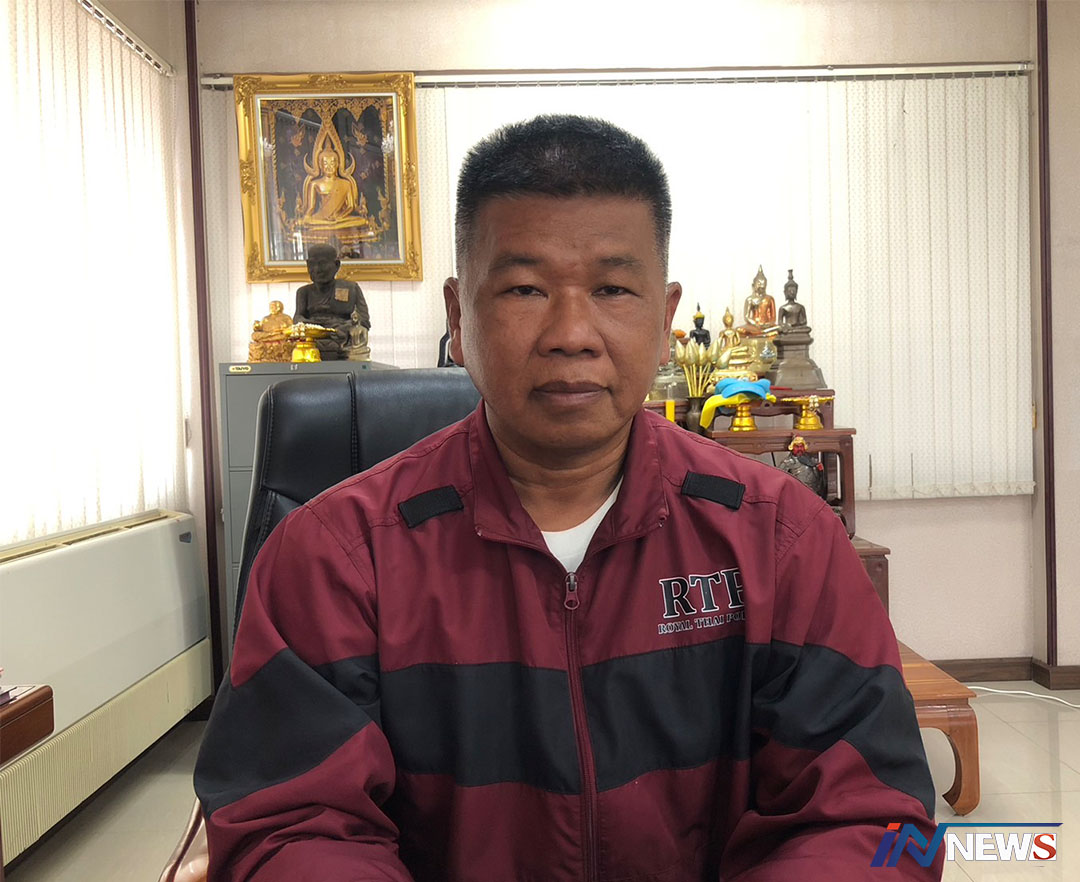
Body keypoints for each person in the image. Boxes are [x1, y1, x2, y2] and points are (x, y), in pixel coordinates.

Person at [195, 115, 940, 881]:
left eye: (612, 289)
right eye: (525, 289)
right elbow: (290, 829)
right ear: (459, 317)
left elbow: (869, 820)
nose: (571, 333)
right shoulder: (336, 558)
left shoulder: (781, 541)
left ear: (665, 320)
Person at [293, 244, 371, 359]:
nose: (317, 269)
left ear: (336, 265)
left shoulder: (350, 288)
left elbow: (363, 319)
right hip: (314, 336)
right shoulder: (304, 292)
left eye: (323, 264)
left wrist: (349, 327)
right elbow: (297, 317)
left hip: (342, 335)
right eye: (312, 264)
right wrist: (312, 327)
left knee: (356, 338)